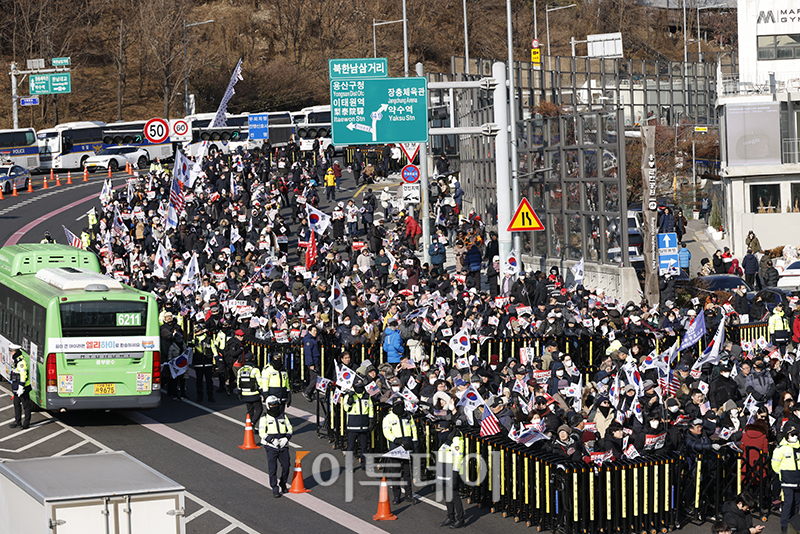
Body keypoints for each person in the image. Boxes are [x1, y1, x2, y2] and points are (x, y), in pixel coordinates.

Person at [382, 397, 418, 505]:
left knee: (407, 473)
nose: (400, 407)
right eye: (397, 405)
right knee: (396, 473)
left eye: (401, 405)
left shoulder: (408, 416)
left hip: (407, 446)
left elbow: (413, 428)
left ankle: (408, 495)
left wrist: (415, 442)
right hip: (395, 447)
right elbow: (386, 432)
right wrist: (397, 440)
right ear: (393, 406)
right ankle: (396, 496)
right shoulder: (388, 418)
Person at [259, 395, 294, 498]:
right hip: (271, 447)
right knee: (272, 469)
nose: (274, 406)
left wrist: (286, 438)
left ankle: (283, 483)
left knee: (286, 466)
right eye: (272, 405)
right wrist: (271, 440)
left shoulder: (283, 416)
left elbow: (290, 429)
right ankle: (275, 488)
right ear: (268, 406)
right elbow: (262, 432)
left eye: (276, 405)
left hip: (283, 445)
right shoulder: (264, 418)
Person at [435, 418, 466, 529]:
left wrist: (455, 472)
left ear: (447, 429)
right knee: (446, 494)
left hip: (452, 469)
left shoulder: (456, 439)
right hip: (443, 467)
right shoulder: (445, 438)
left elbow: (458, 457)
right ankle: (450, 516)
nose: (440, 432)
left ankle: (460, 519)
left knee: (454, 495)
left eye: (442, 430)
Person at [772, 426, 800, 532]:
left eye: (796, 434)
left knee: (796, 504)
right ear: (786, 436)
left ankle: (795, 525)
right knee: (788, 503)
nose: (795, 437)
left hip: (797, 481)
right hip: (787, 481)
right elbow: (775, 464)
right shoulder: (781, 449)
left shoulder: (798, 447)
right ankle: (784, 526)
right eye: (792, 435)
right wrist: (782, 474)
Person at [343, 378, 374, 471]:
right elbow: (345, 408)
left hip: (364, 425)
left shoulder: (366, 396)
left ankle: (364, 464)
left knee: (364, 447)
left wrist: (371, 419)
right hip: (352, 425)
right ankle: (349, 465)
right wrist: (349, 402)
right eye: (358, 387)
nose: (360, 388)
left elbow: (370, 407)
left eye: (361, 387)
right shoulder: (349, 395)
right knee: (351, 447)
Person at [237, 352, 263, 431]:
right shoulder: (255, 370)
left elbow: (238, 383)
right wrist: (264, 394)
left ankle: (251, 426)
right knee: (259, 409)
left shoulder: (240, 370)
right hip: (254, 394)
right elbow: (260, 383)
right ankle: (252, 423)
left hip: (245, 394)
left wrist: (239, 393)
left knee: (250, 411)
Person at [191, 323, 216, 403]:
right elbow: (188, 345)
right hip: (198, 363)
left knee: (209, 381)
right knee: (199, 381)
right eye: (196, 332)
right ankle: (200, 397)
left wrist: (216, 357)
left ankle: (210, 396)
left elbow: (213, 349)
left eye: (198, 331)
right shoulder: (194, 341)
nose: (196, 333)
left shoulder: (209, 339)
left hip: (208, 363)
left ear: (202, 331)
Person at [9, 343, 30, 430]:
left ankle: (26, 423)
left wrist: (21, 387)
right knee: (16, 404)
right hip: (16, 387)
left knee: (26, 405)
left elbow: (23, 375)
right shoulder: (17, 360)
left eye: (11, 351)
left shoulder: (21, 362)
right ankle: (17, 421)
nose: (11, 353)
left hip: (23, 387)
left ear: (15, 351)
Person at [303, 325, 320, 402]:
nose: (315, 332)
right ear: (309, 331)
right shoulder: (308, 340)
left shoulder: (313, 339)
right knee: (315, 378)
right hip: (313, 362)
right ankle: (307, 392)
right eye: (313, 331)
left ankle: (311, 393)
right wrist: (310, 364)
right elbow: (308, 353)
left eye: (316, 331)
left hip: (315, 361)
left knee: (314, 378)